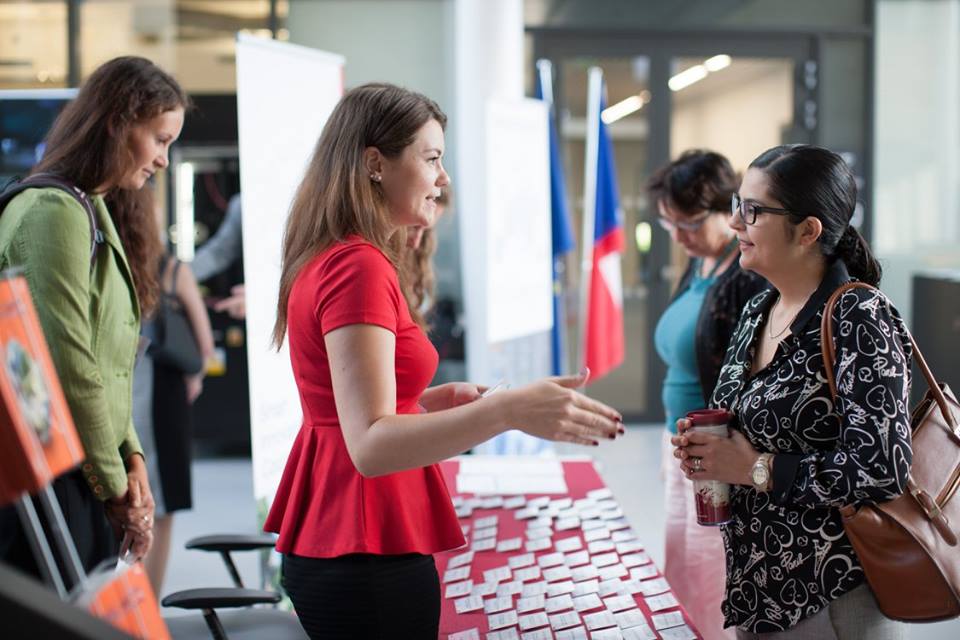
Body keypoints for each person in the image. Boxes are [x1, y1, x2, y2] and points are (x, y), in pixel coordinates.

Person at [264, 83, 624, 639]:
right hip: (363, 542)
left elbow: (346, 406)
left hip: (349, 534)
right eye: (431, 159)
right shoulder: (359, 266)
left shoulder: (339, 255)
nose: (444, 178)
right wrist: (506, 411)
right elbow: (370, 444)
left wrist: (429, 402)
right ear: (375, 164)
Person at [672, 144, 911, 639]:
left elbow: (882, 468)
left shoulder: (858, 316)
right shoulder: (758, 310)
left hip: (828, 590)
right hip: (758, 587)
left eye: (753, 211)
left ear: (807, 231)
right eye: (737, 205)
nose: (735, 223)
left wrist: (754, 468)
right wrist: (708, 447)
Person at [0, 56, 187, 575]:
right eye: (160, 140)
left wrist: (133, 460)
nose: (163, 160)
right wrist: (118, 485)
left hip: (77, 465)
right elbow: (70, 364)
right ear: (118, 123)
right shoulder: (53, 210)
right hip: (48, 476)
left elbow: (110, 366)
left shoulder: (90, 206)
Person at [649, 150, 767, 640]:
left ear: (729, 209)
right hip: (680, 442)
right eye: (669, 225)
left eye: (690, 224)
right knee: (679, 565)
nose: (679, 237)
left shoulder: (743, 276)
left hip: (713, 450)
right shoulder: (699, 265)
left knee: (709, 573)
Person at [133, 254, 215, 594]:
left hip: (113, 398)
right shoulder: (171, 270)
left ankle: (123, 605)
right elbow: (205, 346)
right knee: (160, 509)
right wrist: (194, 377)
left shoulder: (101, 260)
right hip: (162, 401)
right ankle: (147, 607)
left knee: (126, 504)